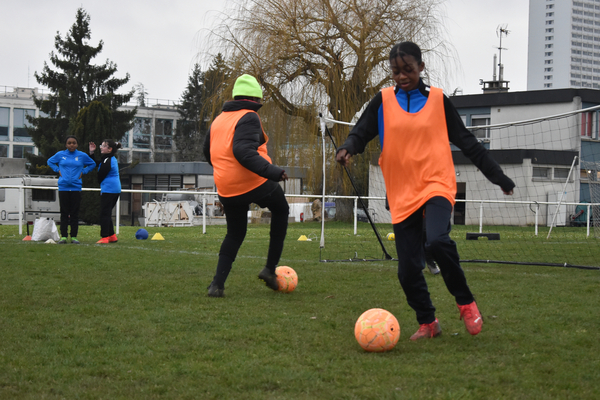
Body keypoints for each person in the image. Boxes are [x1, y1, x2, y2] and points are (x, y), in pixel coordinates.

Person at [336, 42, 515, 340]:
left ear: (421, 67)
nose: (402, 76)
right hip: (401, 191)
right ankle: (428, 322)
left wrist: (498, 176)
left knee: (437, 241)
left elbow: (468, 142)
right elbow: (361, 132)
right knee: (407, 270)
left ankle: (465, 302)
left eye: (408, 70)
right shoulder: (382, 101)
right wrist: (347, 148)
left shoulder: (438, 100)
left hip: (436, 183)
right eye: (396, 71)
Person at [203, 74, 290, 297]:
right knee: (281, 209)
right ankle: (270, 269)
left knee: (235, 233)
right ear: (255, 99)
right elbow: (243, 152)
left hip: (226, 187)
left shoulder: (218, 120)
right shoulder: (249, 116)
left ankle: (217, 285)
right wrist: (273, 172)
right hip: (253, 180)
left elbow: (207, 152)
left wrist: (224, 171)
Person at [47, 135, 96, 244]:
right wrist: (57, 169)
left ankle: (74, 237)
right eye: (69, 143)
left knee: (74, 213)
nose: (71, 145)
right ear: (66, 144)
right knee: (64, 213)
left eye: (74, 143)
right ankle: (63, 236)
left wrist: (84, 172)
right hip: (63, 187)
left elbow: (92, 164)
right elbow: (50, 161)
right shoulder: (60, 155)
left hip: (76, 187)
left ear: (77, 144)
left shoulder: (82, 155)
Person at [88, 139, 122, 244]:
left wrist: (98, 180)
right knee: (106, 212)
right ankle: (112, 235)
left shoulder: (109, 159)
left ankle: (105, 236)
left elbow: (102, 171)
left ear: (110, 149)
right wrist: (91, 152)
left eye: (103, 146)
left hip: (109, 189)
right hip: (113, 189)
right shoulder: (108, 159)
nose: (101, 147)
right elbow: (97, 163)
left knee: (104, 213)